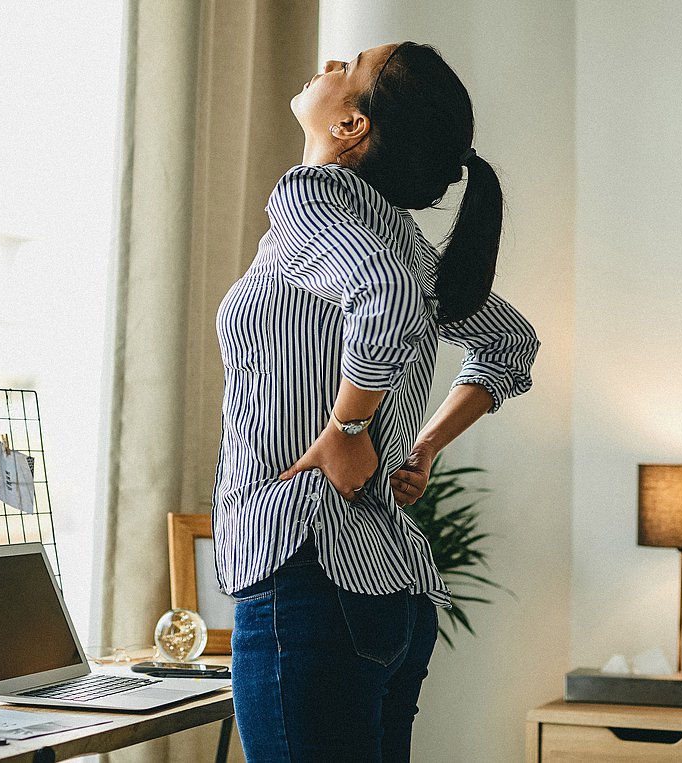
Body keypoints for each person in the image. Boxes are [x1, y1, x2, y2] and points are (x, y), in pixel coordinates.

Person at [212, 41, 539, 762]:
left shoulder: (311, 196)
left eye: (349, 66)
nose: (329, 64)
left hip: (309, 578)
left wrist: (349, 426)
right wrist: (417, 448)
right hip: (385, 597)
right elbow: (510, 341)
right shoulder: (396, 235)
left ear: (353, 127)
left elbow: (387, 299)